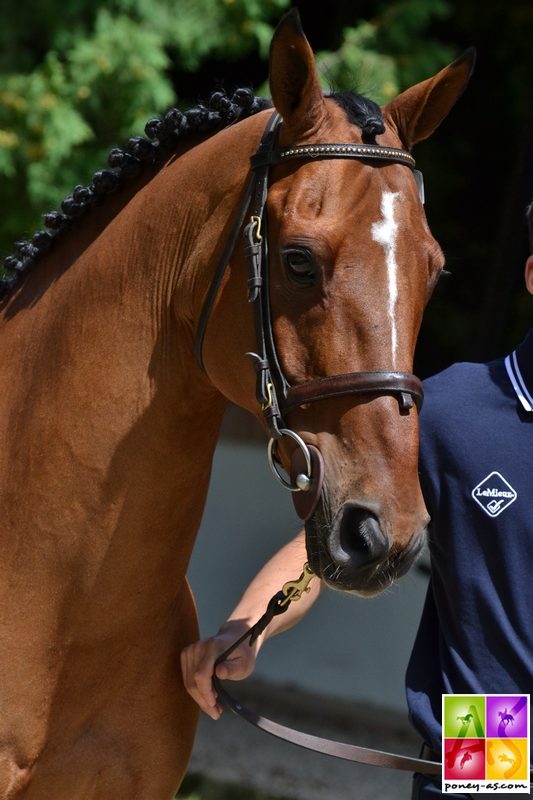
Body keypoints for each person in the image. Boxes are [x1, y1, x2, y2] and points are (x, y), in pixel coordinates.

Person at [181, 200, 533, 799]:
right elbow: (323, 551)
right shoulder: (453, 414)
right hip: (490, 757)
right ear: (532, 276)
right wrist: (246, 629)